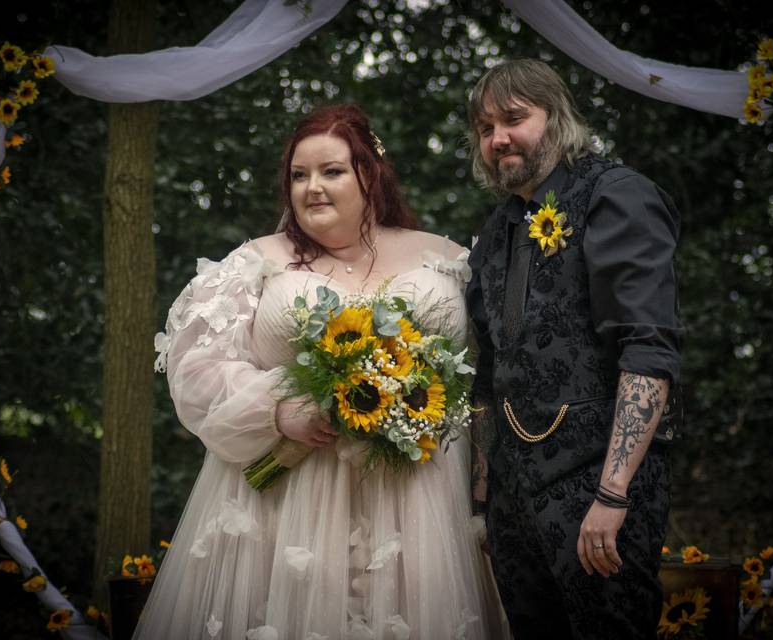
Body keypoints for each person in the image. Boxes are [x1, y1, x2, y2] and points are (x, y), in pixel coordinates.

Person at [135, 103, 508, 640]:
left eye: (331, 171)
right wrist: (278, 408)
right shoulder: (257, 262)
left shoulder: (446, 259)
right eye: (298, 175)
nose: (312, 187)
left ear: (369, 175)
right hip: (288, 504)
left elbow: (488, 373)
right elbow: (195, 368)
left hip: (420, 501)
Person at [465, 59, 684, 639]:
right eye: (485, 129)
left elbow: (648, 351)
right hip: (514, 501)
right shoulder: (496, 231)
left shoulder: (617, 195)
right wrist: (488, 503)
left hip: (601, 489)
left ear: (556, 119)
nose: (498, 139)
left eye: (514, 119)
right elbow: (490, 371)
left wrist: (613, 494)